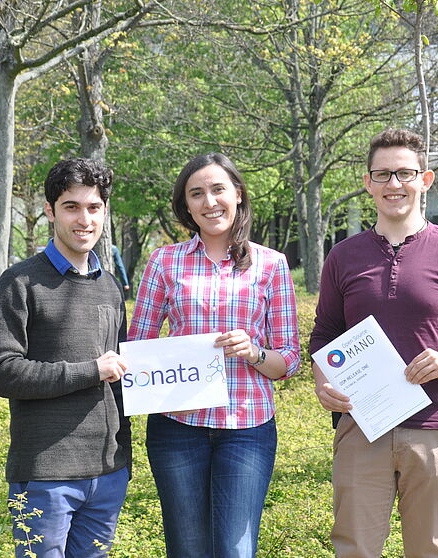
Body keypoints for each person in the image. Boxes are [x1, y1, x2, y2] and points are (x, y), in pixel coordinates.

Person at [310, 128, 438, 558]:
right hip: (362, 425)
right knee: (354, 549)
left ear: (426, 179)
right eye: (382, 175)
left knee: (430, 550)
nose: (393, 185)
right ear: (367, 183)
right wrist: (321, 383)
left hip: (435, 425)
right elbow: (324, 334)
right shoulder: (343, 256)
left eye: (404, 173)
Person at [128, 153, 301, 558]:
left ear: (238, 195)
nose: (210, 202)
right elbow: (138, 344)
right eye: (197, 193)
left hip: (247, 428)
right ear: (186, 205)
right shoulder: (164, 261)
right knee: (186, 549)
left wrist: (254, 352)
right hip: (176, 426)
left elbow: (288, 360)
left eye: (218, 189)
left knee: (234, 550)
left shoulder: (272, 265)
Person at [0, 158, 131, 558]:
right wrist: (91, 371)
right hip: (46, 473)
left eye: (93, 207)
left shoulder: (112, 288)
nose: (84, 219)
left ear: (104, 211)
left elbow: (121, 371)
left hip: (109, 470)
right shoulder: (19, 282)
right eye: (71, 207)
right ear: (50, 211)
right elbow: (1, 371)